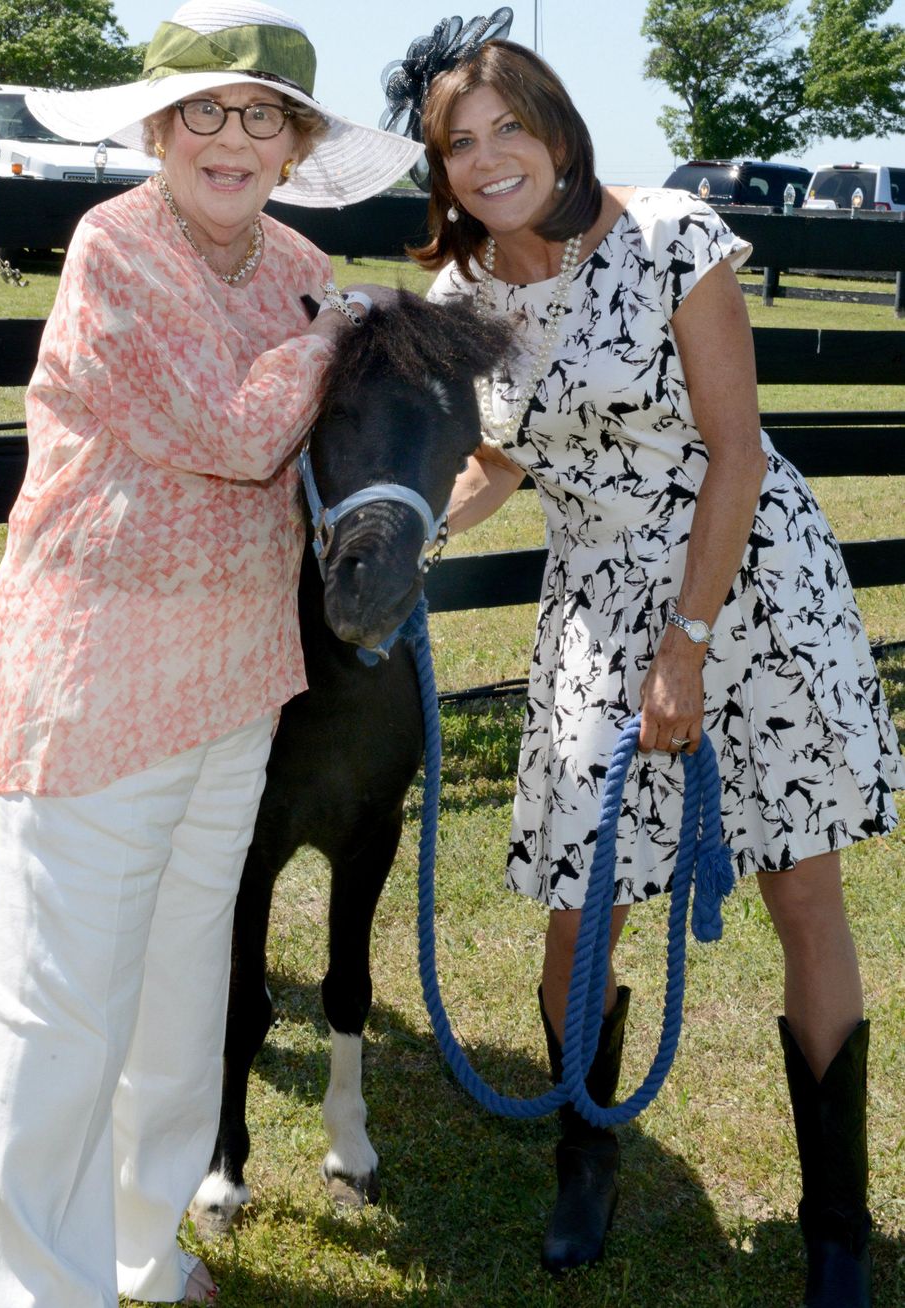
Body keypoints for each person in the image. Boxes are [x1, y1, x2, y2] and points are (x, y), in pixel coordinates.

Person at [392, 27, 904, 1308]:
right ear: (440, 169)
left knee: (801, 894)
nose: (489, 157)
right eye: (462, 142)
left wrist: (685, 643)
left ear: (557, 128)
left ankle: (834, 1222)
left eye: (509, 126)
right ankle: (585, 1152)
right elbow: (504, 457)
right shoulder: (463, 302)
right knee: (582, 904)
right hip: (593, 611)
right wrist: (425, 525)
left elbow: (733, 448)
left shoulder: (670, 235)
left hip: (745, 587)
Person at [0, 3, 421, 1305]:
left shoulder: (296, 262)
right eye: (206, 111)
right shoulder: (115, 249)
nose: (231, 135)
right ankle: (39, 1292)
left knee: (179, 1000)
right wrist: (343, 332)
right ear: (162, 129)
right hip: (98, 682)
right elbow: (234, 431)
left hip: (238, 688)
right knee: (63, 1019)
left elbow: (337, 455)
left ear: (293, 142)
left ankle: (145, 1251)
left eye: (261, 114)